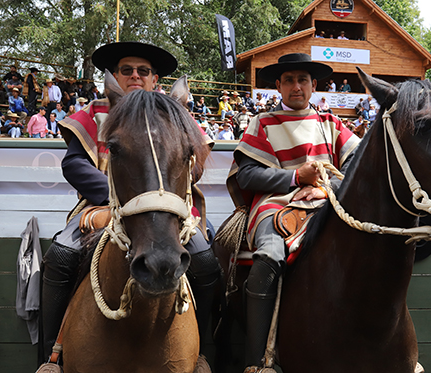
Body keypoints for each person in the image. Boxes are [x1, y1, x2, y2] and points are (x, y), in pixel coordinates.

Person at [44, 41, 219, 362]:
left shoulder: (174, 113)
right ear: (114, 77)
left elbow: (195, 162)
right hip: (101, 206)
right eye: (127, 70)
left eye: (144, 71)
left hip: (170, 208)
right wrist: (115, 196)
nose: (135, 76)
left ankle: (201, 352)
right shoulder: (95, 112)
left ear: (155, 79)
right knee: (60, 254)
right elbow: (74, 164)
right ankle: (52, 356)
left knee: (206, 261)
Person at [226, 53, 359, 371]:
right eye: (288, 80)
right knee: (268, 259)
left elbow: (357, 167)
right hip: (275, 206)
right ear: (278, 86)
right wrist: (296, 176)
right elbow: (246, 176)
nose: (296, 86)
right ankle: (257, 362)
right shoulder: (263, 122)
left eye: (302, 80)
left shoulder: (331, 123)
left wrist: (327, 189)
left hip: (326, 203)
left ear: (314, 85)